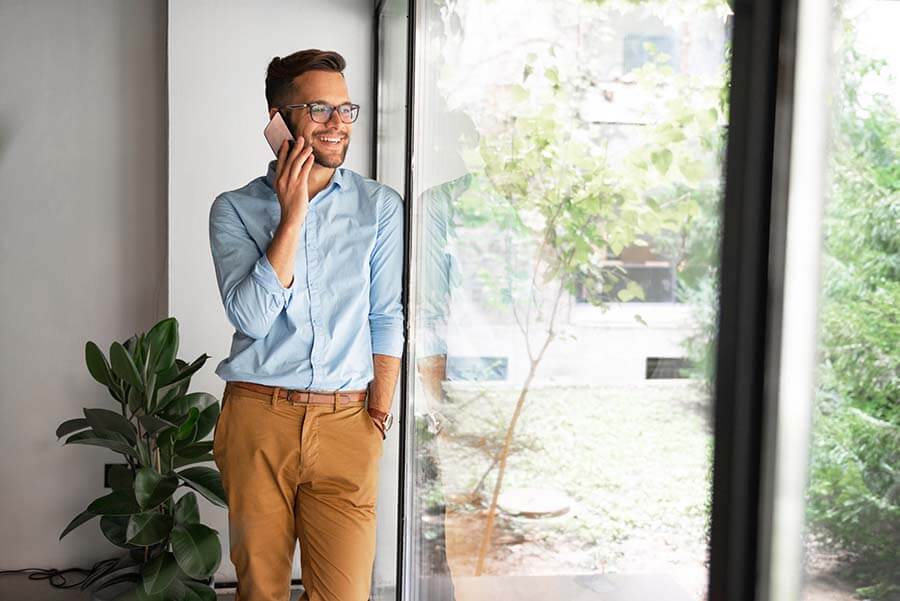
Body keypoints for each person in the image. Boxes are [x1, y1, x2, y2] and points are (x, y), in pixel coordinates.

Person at [207, 48, 404, 601]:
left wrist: (377, 418)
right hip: (258, 421)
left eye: (345, 110)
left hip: (348, 423)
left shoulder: (379, 207)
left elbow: (386, 316)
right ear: (278, 118)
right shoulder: (234, 209)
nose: (337, 124)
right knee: (262, 590)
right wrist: (293, 216)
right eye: (319, 109)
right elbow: (249, 315)